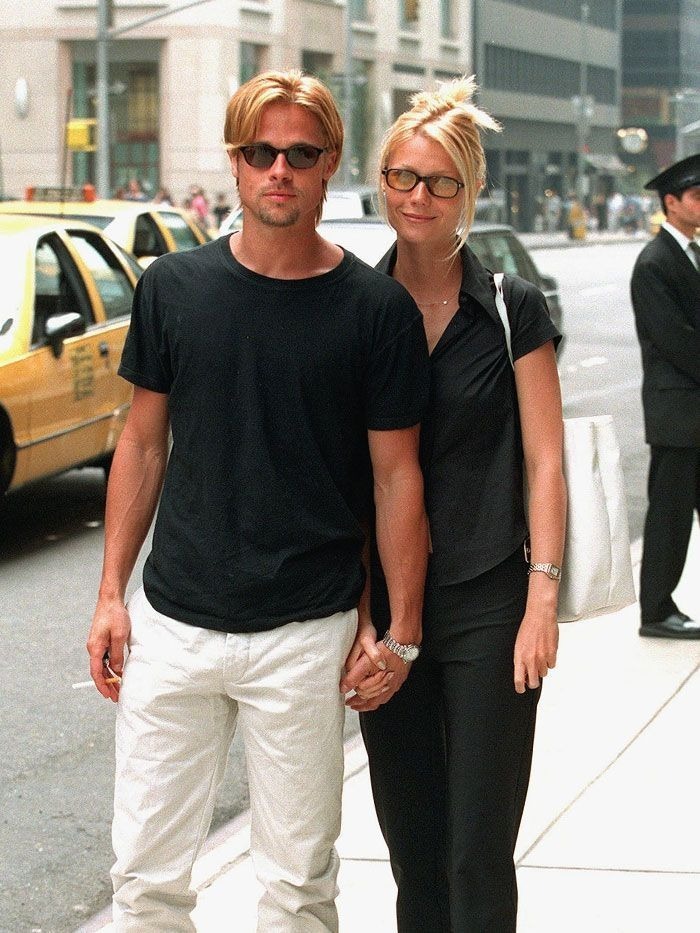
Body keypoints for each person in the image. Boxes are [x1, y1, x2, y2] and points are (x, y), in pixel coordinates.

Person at [86, 68, 430, 931]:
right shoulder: (173, 287)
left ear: (329, 164)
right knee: (144, 880)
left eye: (301, 154)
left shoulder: (376, 310)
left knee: (297, 887)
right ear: (235, 162)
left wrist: (403, 630)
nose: (280, 169)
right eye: (260, 152)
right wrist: (110, 594)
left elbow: (396, 477)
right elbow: (143, 443)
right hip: (174, 624)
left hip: (305, 635)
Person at [340, 76, 566, 933]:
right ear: (382, 181)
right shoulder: (355, 309)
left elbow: (545, 461)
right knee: (414, 849)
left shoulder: (510, 307)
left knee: (477, 849)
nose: (418, 196)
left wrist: (541, 600)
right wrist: (359, 617)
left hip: (490, 602)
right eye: (402, 176)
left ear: (468, 191)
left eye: (440, 181)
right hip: (387, 607)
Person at [630, 153, 700, 639]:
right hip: (678, 413)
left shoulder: (692, 253)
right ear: (671, 203)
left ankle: (660, 606)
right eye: (696, 196)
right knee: (670, 517)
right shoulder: (655, 262)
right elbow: (676, 341)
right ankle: (655, 611)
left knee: (675, 514)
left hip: (691, 411)